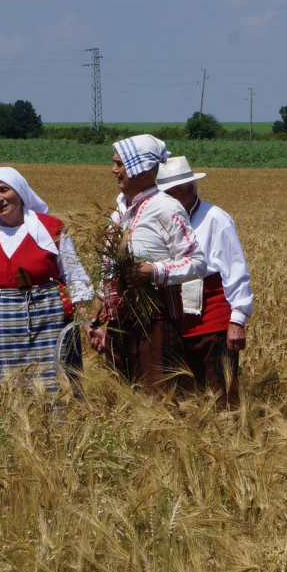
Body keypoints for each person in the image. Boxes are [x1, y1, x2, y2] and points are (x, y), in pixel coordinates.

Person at [0, 167, 94, 387]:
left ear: (19, 191)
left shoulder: (51, 228)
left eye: (4, 190)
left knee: (55, 391)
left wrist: (88, 323)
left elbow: (75, 280)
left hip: (49, 323)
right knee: (4, 394)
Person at [87, 136, 207, 392]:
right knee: (121, 398)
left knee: (159, 397)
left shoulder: (166, 207)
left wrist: (153, 271)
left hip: (157, 324)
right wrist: (100, 300)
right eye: (114, 163)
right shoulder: (118, 213)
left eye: (120, 164)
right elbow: (108, 264)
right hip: (120, 322)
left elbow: (196, 262)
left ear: (141, 169)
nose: (113, 169)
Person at [155, 156, 253, 406]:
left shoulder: (216, 219)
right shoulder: (160, 220)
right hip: (174, 322)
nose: (163, 201)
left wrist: (237, 320)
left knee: (223, 396)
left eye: (169, 194)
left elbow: (235, 270)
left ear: (188, 190)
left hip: (212, 322)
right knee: (185, 398)